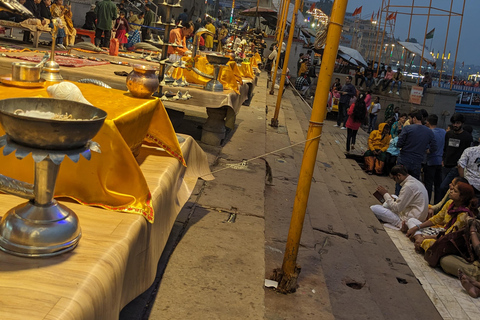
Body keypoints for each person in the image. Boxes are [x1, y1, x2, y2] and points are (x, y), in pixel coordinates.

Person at [406, 182, 477, 253]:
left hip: (449, 241)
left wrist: (424, 237)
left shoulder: (463, 214)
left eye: (455, 191)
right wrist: (416, 227)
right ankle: (419, 239)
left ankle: (419, 239)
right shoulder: (450, 203)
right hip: (441, 232)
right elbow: (435, 219)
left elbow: (448, 236)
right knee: (411, 221)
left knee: (430, 243)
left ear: (462, 198)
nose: (451, 191)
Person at [440, 218, 480, 298]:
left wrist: (473, 231)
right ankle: (476, 287)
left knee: (444, 260)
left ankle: (475, 283)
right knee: (445, 259)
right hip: (476, 264)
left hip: (477, 271)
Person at [397, 110, 437, 181]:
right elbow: (434, 146)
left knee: (401, 182)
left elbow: (399, 144)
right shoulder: (428, 131)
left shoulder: (407, 128)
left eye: (409, 118)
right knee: (414, 184)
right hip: (417, 161)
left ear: (414, 118)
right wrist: (427, 150)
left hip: (404, 159)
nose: (409, 121)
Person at [439, 113, 473, 197]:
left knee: (444, 187)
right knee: (445, 188)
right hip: (446, 164)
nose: (455, 125)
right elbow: (446, 147)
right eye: (454, 123)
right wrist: (443, 159)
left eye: (457, 123)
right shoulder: (449, 134)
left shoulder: (467, 137)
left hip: (456, 166)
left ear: (462, 123)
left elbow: (468, 152)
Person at [424, 114, 446, 204]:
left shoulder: (429, 132)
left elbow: (427, 147)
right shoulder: (443, 132)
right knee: (438, 184)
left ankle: (427, 203)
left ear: (428, 122)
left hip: (430, 161)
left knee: (428, 184)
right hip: (440, 161)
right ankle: (437, 204)